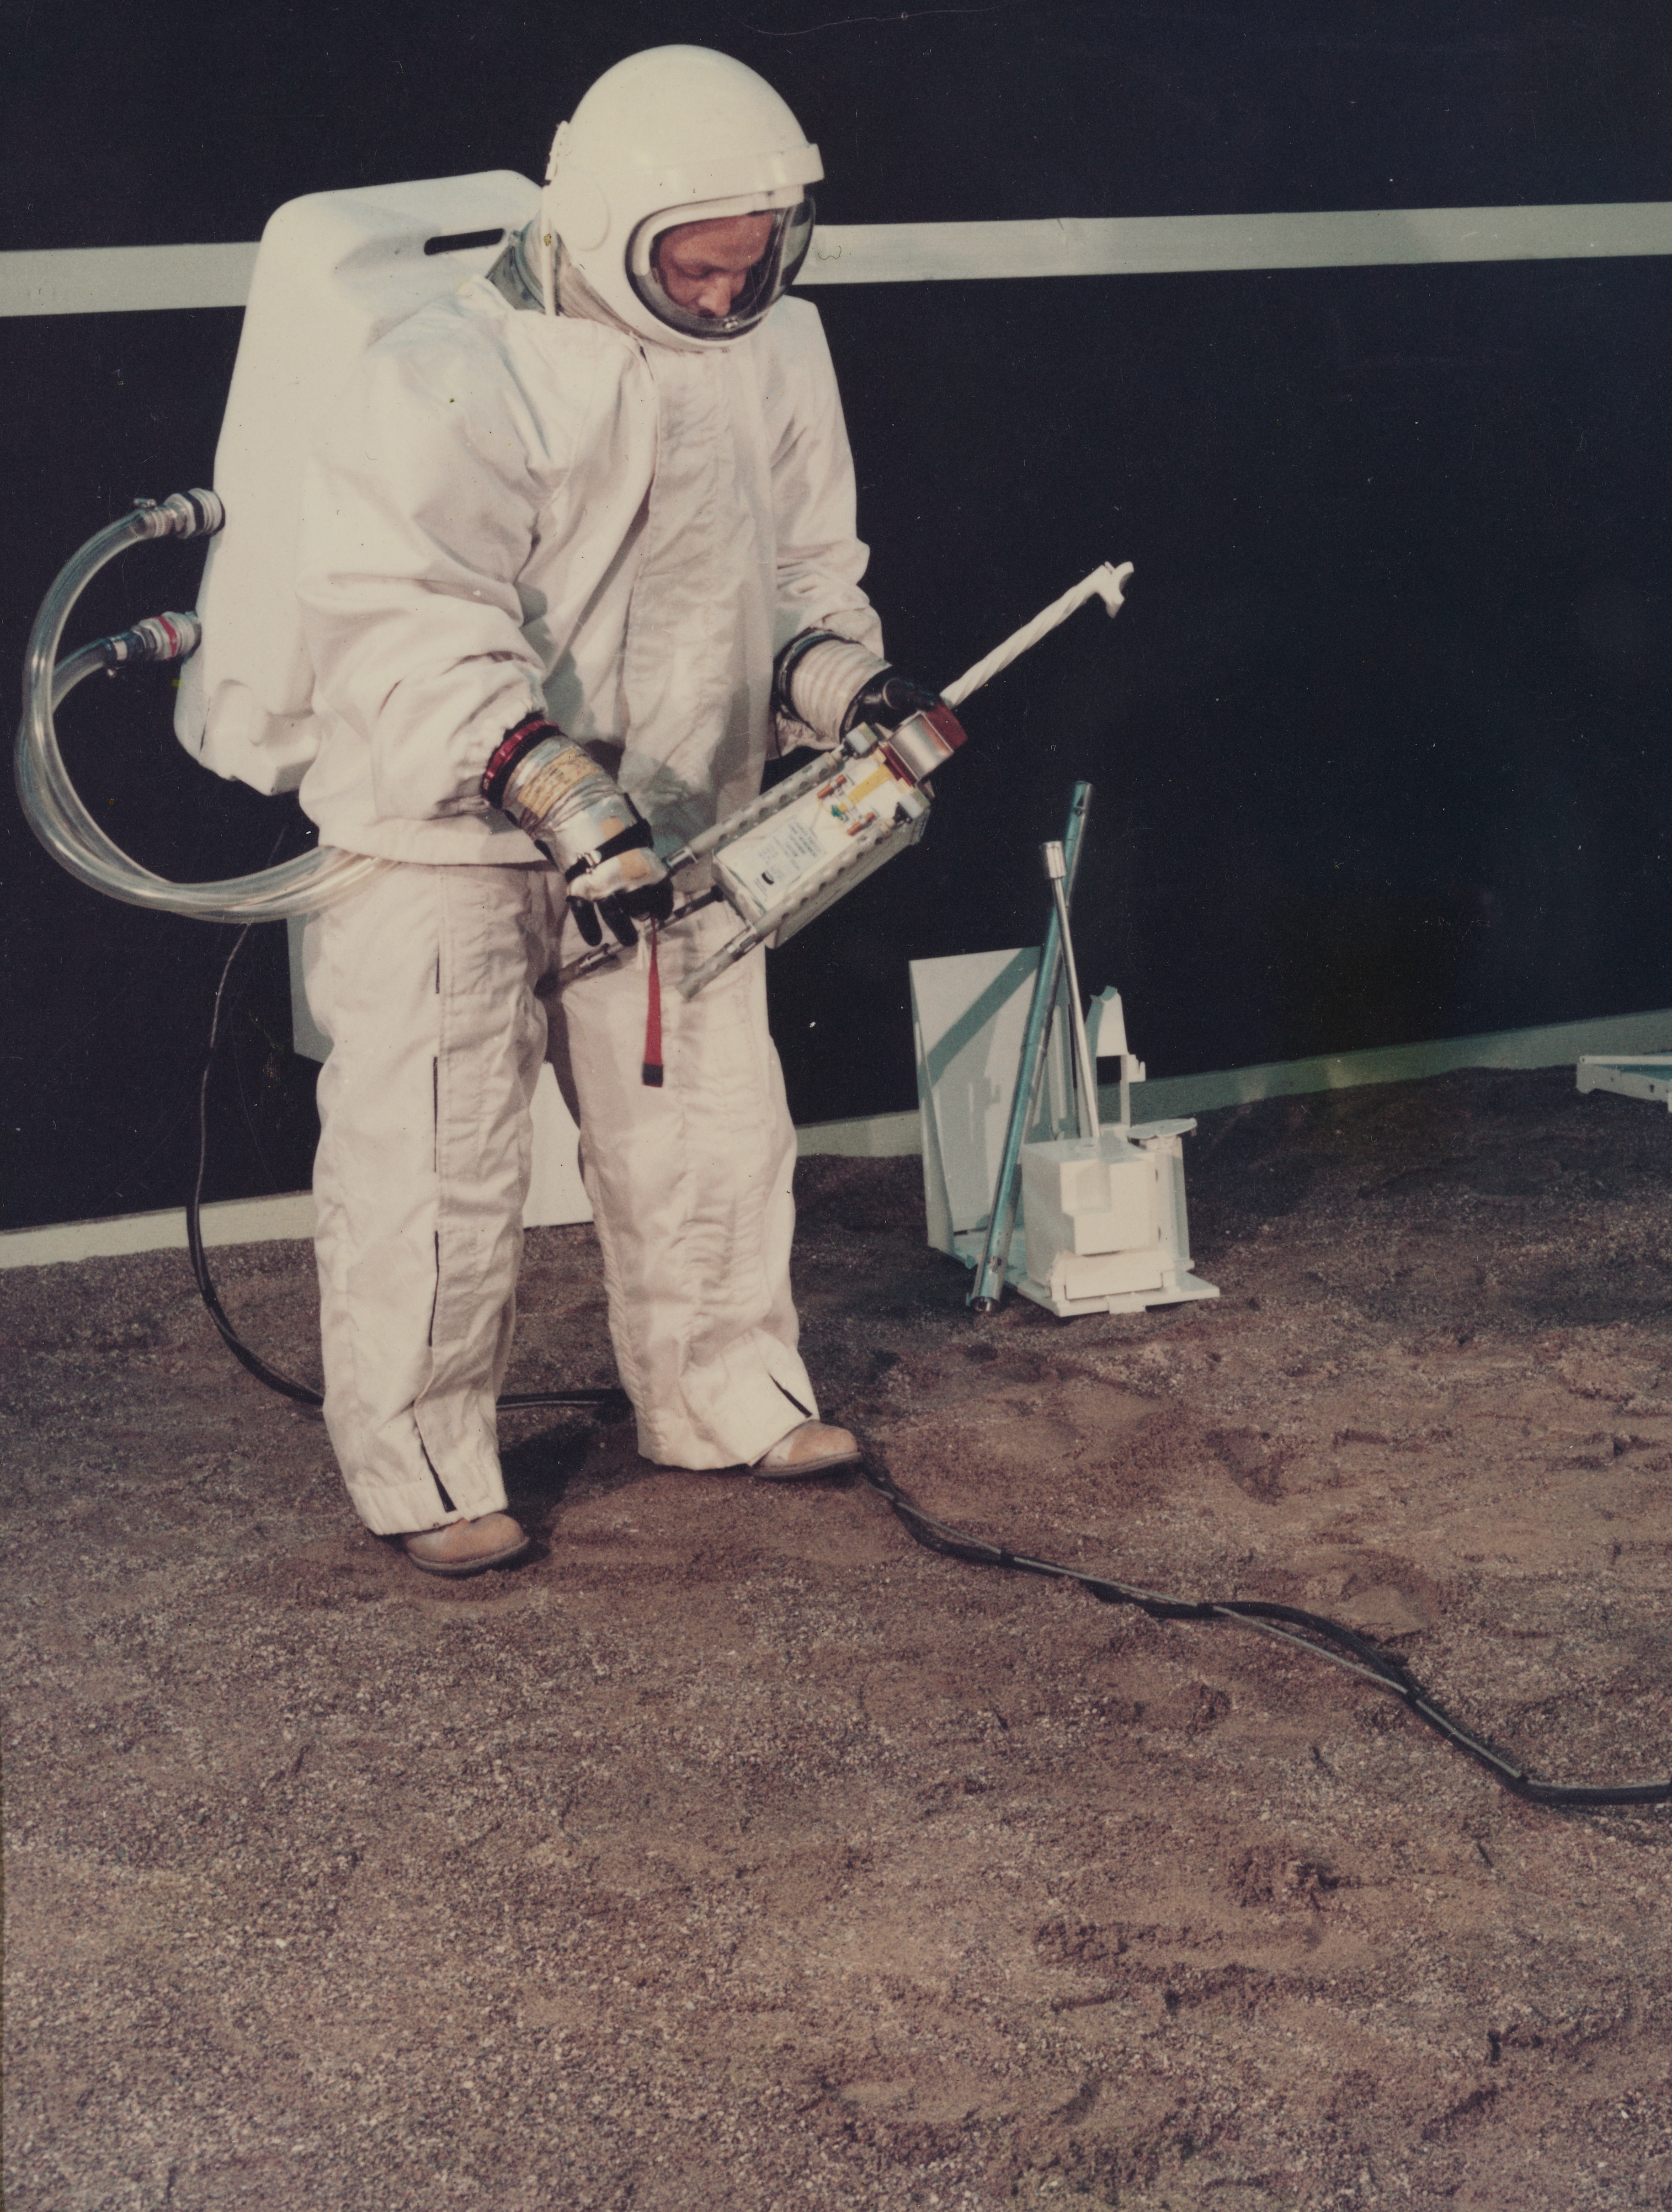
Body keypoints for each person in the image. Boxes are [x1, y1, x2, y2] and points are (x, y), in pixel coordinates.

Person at [293, 47, 951, 1575]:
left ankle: (725, 1395)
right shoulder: (443, 370)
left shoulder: (776, 352)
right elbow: (401, 612)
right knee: (439, 1156)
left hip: (678, 821)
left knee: (707, 1123)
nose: (728, 299)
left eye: (753, 267)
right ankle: (428, 1466)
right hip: (450, 832)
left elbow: (800, 581)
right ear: (605, 223)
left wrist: (847, 694)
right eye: (697, 270)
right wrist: (540, 772)